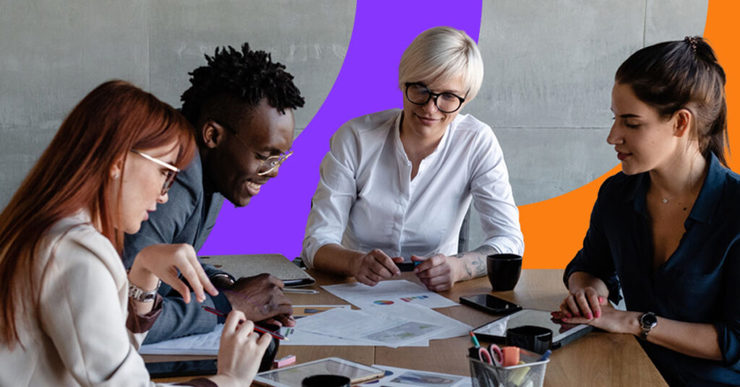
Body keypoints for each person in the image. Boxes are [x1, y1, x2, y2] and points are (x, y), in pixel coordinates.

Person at [0, 80, 271, 386]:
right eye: (165, 173)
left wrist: (143, 273)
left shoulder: (48, 230)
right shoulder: (74, 253)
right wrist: (229, 380)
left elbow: (115, 361)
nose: (164, 195)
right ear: (118, 162)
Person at [558, 37, 739, 386]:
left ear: (681, 123)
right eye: (615, 119)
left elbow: (735, 340)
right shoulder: (617, 194)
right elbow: (590, 267)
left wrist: (633, 321)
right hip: (630, 369)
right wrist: (588, 293)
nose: (613, 136)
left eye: (631, 123)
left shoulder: (735, 208)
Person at [302, 26, 524, 292]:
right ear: (402, 82)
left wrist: (457, 268)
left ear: (465, 100)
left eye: (448, 97)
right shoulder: (355, 138)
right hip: (354, 289)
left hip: (436, 297)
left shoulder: (477, 142)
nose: (430, 108)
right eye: (420, 89)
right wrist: (355, 262)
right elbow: (316, 243)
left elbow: (509, 241)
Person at [124, 43, 305, 343]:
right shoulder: (171, 177)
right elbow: (127, 313)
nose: (273, 171)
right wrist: (228, 304)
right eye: (263, 156)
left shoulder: (213, 167)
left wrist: (219, 284)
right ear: (213, 135)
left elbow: (164, 260)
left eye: (279, 158)